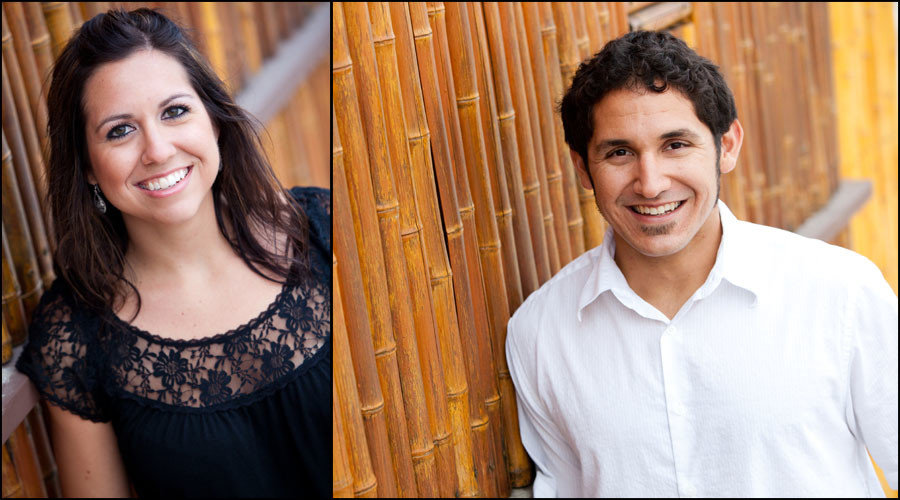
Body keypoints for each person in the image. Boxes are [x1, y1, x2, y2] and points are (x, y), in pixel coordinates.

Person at [505, 30, 897, 497]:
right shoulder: (540, 334)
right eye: (619, 153)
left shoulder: (840, 292)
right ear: (583, 168)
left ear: (726, 145)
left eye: (675, 145)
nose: (650, 184)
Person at [14, 8, 330, 498]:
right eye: (120, 130)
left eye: (175, 111)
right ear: (89, 168)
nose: (158, 150)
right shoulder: (76, 336)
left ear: (215, 122)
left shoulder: (322, 231)